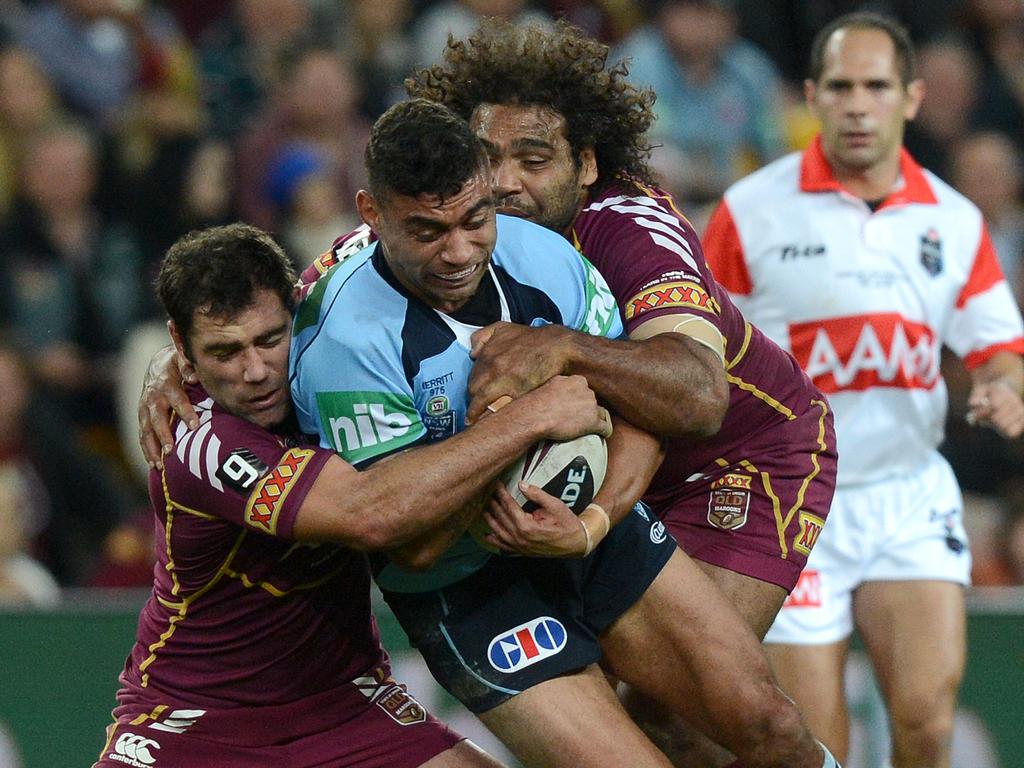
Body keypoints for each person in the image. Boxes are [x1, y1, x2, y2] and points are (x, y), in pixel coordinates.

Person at [289, 98, 836, 768]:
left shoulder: (545, 257)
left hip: (600, 535)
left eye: (473, 220)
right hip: (469, 592)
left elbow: (650, 415)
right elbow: (414, 543)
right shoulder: (340, 342)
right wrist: (523, 422)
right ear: (372, 214)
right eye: (428, 231)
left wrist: (594, 523)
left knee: (771, 726)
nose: (459, 251)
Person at [97, 222, 617, 767]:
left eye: (270, 339)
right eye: (224, 352)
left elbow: (413, 217)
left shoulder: (326, 345)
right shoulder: (198, 441)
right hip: (200, 723)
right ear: (181, 345)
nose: (255, 372)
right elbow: (370, 513)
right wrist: (530, 415)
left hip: (344, 705)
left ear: (299, 308)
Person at [702, 12, 1024, 767]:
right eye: (840, 86)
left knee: (928, 725)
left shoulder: (955, 218)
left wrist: (1004, 386)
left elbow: (1000, 346)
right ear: (812, 95)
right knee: (812, 748)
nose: (857, 104)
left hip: (908, 493)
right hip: (793, 503)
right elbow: (693, 345)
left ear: (910, 98)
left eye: (875, 86)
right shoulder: (750, 212)